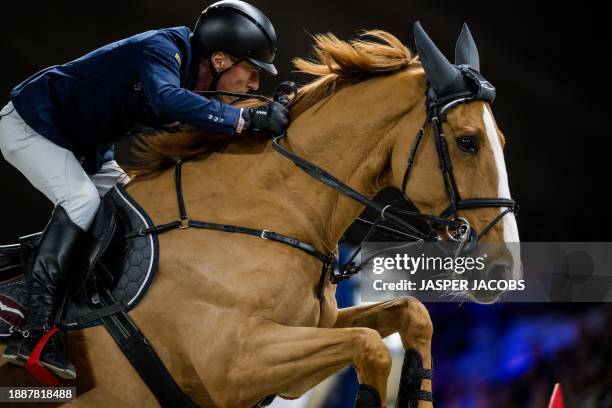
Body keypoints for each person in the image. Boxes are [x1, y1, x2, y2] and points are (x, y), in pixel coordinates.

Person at [0, 0, 290, 379]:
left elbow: (203, 114)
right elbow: (167, 100)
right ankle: (35, 333)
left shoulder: (192, 72)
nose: (254, 85)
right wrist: (247, 117)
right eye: (252, 72)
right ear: (219, 61)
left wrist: (277, 111)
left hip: (85, 145)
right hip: (31, 126)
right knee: (81, 201)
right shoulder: (161, 48)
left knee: (129, 205)